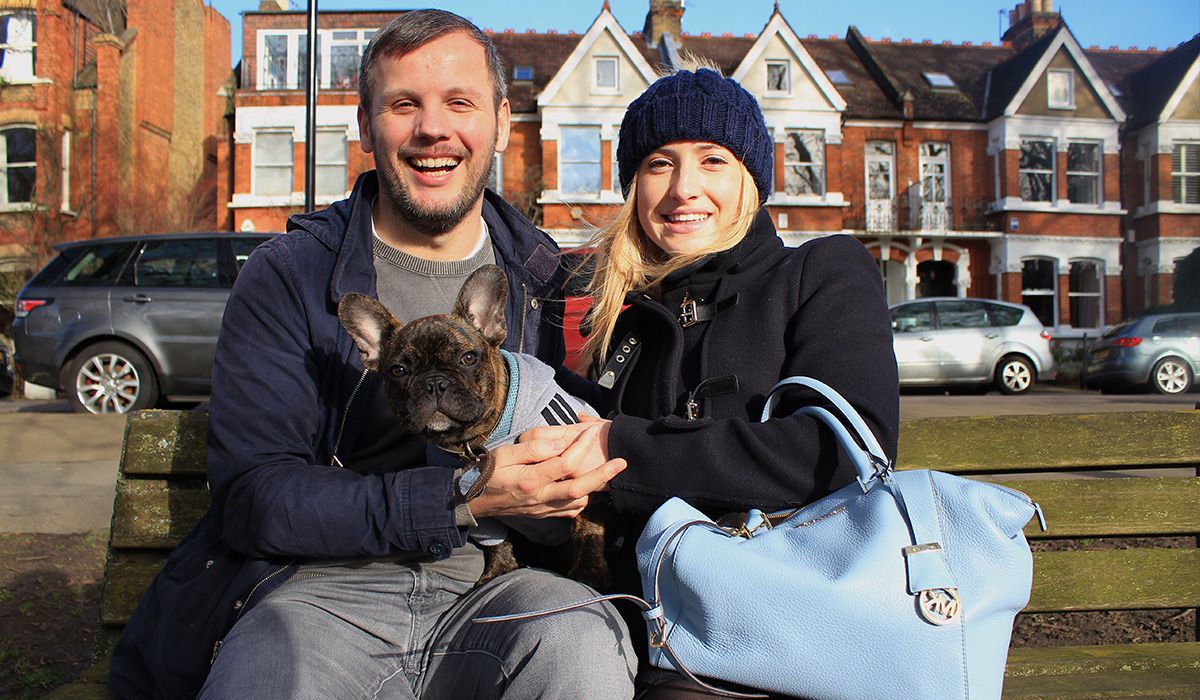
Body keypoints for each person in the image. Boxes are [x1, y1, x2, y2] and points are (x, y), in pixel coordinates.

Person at [107, 10, 635, 700]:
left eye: (459, 103)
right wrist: (461, 498)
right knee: (268, 674)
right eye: (403, 104)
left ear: (503, 123)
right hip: (324, 591)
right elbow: (256, 498)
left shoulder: (552, 280)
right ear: (365, 126)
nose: (433, 129)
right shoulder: (291, 275)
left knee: (580, 647)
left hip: (501, 586)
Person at [563, 61, 902, 696]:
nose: (683, 188)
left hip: (781, 629)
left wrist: (621, 447)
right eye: (659, 164)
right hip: (637, 627)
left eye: (712, 160)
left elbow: (842, 454)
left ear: (751, 178)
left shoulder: (819, 273)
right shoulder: (622, 316)